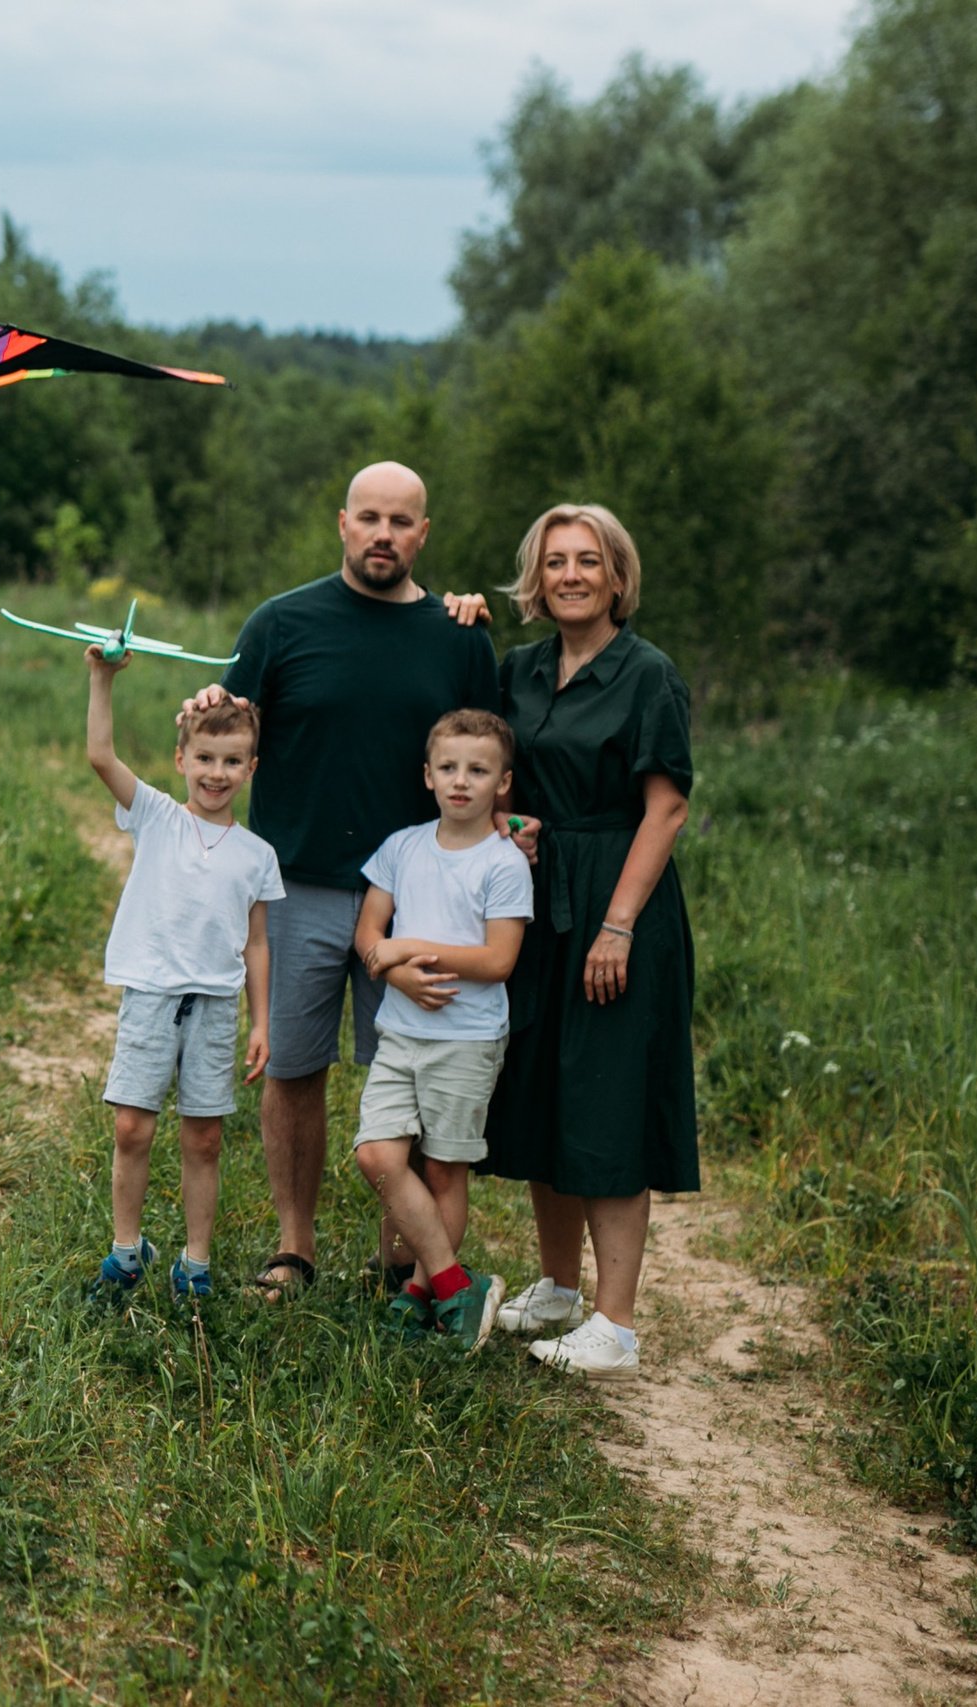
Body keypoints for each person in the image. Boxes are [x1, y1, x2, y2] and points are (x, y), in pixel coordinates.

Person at [191, 462, 498, 1302]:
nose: (384, 535)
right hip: (296, 886)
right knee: (294, 1069)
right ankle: (295, 1247)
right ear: (342, 523)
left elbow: (495, 758)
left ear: (423, 534)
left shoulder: (460, 637)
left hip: (415, 900)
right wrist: (199, 709)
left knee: (419, 1068)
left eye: (402, 521)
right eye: (370, 517)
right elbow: (223, 734)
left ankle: (403, 1255)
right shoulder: (282, 623)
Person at [481, 503, 695, 1380]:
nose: (571, 574)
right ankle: (560, 1286)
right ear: (537, 576)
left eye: (589, 560)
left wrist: (618, 923)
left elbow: (667, 805)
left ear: (617, 577)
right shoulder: (520, 668)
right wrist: (511, 822)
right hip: (537, 895)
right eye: (556, 560)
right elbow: (496, 775)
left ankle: (616, 1323)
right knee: (545, 1086)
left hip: (618, 900)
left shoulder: (648, 675)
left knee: (605, 1095)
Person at [83, 645, 283, 1304]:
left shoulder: (257, 855)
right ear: (181, 760)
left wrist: (263, 1021)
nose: (216, 773)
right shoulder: (157, 816)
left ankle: (194, 1264)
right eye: (204, 758)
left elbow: (256, 942)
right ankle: (124, 1253)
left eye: (231, 762)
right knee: (132, 1127)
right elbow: (100, 758)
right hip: (151, 994)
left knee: (204, 1136)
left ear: (252, 768)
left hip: (217, 1004)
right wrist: (102, 679)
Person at [350, 709, 534, 1350]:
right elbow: (369, 935)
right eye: (449, 768)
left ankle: (421, 1292)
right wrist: (392, 968)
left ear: (502, 783)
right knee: (377, 1153)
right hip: (400, 1032)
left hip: (467, 1037)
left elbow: (498, 961)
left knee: (445, 1171)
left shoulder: (505, 862)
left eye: (478, 770)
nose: (462, 781)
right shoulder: (402, 847)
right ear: (427, 775)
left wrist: (413, 947)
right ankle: (460, 1284)